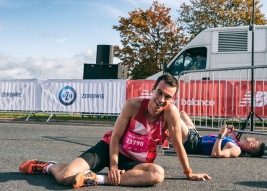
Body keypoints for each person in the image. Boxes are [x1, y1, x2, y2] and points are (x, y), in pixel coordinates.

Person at [19, 73, 211, 188]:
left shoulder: (171, 114)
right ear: (153, 90)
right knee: (65, 177)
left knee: (157, 174)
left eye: (167, 97)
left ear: (172, 99)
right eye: (159, 93)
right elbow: (115, 137)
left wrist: (189, 172)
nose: (161, 99)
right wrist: (113, 167)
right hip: (110, 150)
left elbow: (178, 144)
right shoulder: (133, 105)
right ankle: (48, 166)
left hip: (136, 163)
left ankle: (96, 179)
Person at [164, 111, 265, 158]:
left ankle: (160, 138)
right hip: (197, 137)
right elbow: (220, 143)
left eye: (254, 139)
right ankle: (165, 139)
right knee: (182, 113)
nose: (251, 137)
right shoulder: (235, 143)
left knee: (174, 116)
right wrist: (226, 133)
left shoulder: (237, 150)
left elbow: (216, 154)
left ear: (252, 145)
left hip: (193, 144)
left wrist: (221, 134)